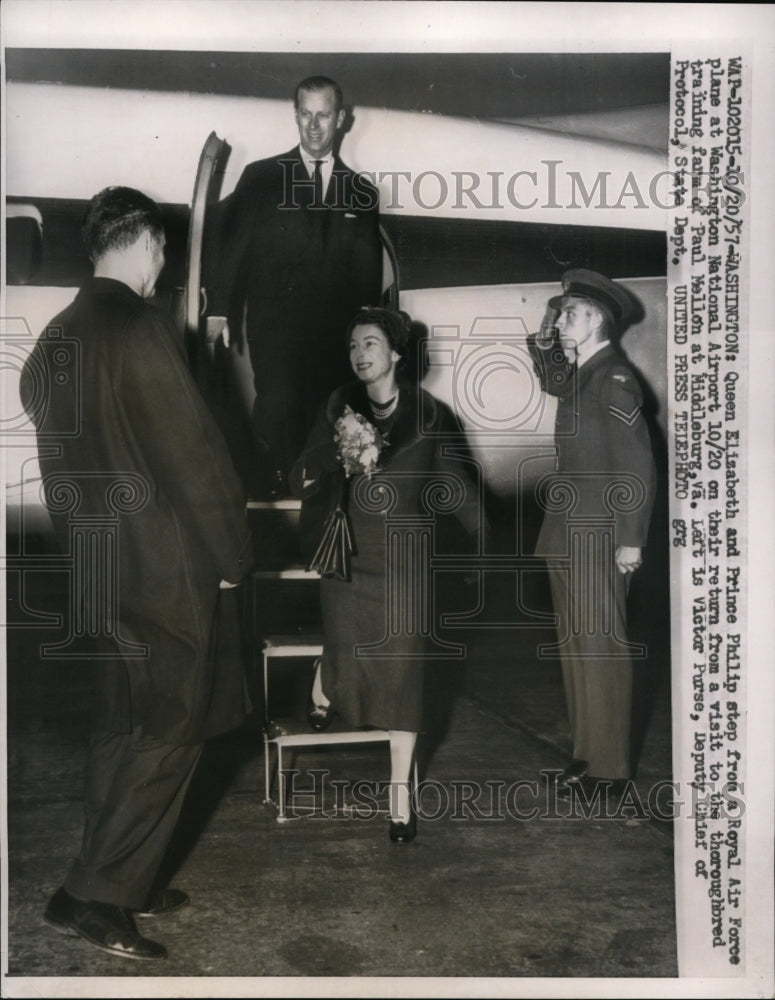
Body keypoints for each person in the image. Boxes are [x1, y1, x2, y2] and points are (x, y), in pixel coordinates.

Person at [20, 187, 253, 961]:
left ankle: (113, 875)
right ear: (147, 243)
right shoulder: (138, 327)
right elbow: (195, 455)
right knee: (172, 728)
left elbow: (41, 413)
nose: (162, 268)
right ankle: (99, 896)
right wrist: (230, 558)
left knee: (122, 724)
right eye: (162, 253)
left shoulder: (57, 337)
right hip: (163, 569)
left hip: (95, 567)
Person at [290, 307, 484, 842]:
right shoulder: (337, 407)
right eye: (353, 345)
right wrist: (334, 455)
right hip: (349, 555)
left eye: (371, 343)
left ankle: (400, 796)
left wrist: (491, 543)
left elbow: (457, 485)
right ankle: (325, 684)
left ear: (396, 353)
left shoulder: (429, 414)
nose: (360, 354)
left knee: (404, 678)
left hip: (404, 562)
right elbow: (300, 469)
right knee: (346, 644)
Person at [206, 75, 383, 497]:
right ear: (296, 115)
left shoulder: (361, 192)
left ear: (341, 119)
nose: (314, 126)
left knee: (329, 424)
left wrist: (367, 340)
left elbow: (367, 280)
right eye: (306, 115)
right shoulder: (261, 178)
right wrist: (218, 309)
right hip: (277, 330)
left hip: (334, 337)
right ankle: (275, 501)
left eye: (324, 115)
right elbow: (232, 249)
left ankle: (318, 516)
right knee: (278, 412)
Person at [527, 269, 657, 803]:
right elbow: (550, 374)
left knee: (602, 648)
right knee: (576, 648)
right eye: (561, 314)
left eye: (573, 314)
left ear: (599, 321)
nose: (562, 322)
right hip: (566, 533)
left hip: (600, 535)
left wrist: (632, 539)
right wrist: (547, 332)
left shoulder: (615, 377)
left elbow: (638, 466)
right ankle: (586, 756)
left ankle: (611, 768)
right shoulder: (581, 374)